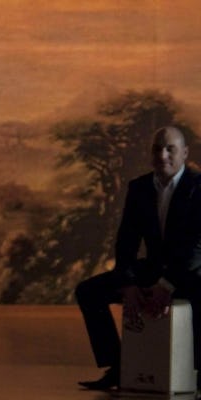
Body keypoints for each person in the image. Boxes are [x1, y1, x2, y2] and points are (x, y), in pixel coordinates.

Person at [76, 126, 201, 391]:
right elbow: (126, 242)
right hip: (153, 268)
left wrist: (167, 285)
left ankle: (198, 372)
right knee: (88, 292)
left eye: (170, 149)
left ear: (185, 153)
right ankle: (117, 367)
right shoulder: (139, 187)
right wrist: (128, 283)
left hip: (190, 273)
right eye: (157, 149)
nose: (163, 155)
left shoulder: (198, 186)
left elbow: (197, 248)